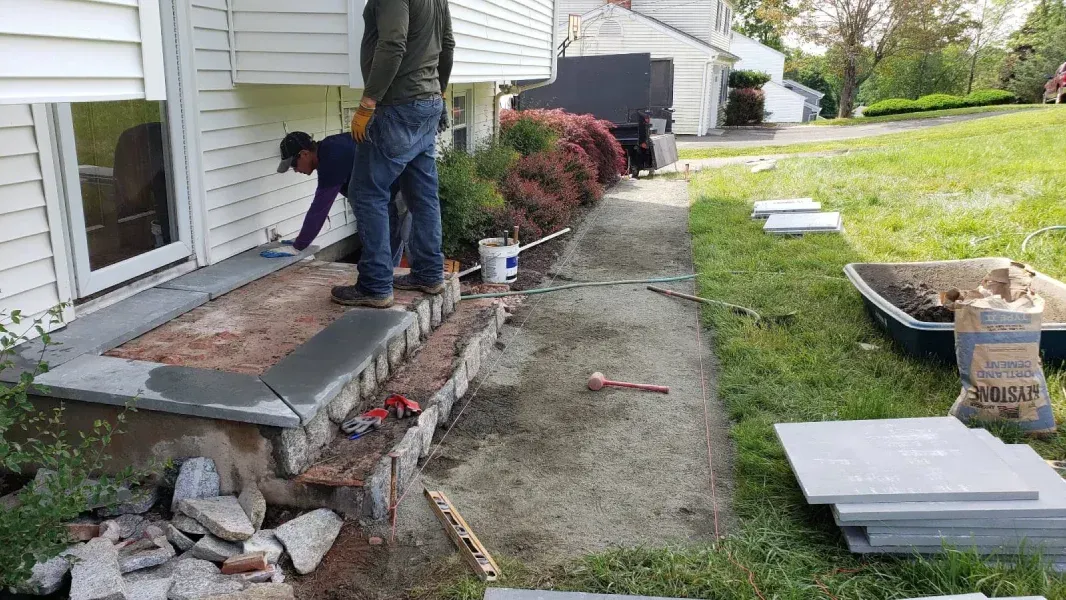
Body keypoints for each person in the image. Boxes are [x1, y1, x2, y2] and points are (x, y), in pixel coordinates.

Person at [331, 0, 454, 308]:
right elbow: (448, 44)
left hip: (398, 106)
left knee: (366, 192)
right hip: (427, 102)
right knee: (422, 194)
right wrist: (439, 91)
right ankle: (429, 274)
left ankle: (375, 285)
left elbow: (393, 43)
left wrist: (368, 102)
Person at [268, 131, 412, 267]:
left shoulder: (332, 156)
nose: (295, 170)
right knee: (387, 251)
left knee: (380, 251)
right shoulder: (331, 148)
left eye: (294, 165)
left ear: (304, 154)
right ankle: (387, 279)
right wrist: (301, 240)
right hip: (394, 191)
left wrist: (298, 246)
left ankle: (383, 281)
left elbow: (319, 208)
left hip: (396, 193)